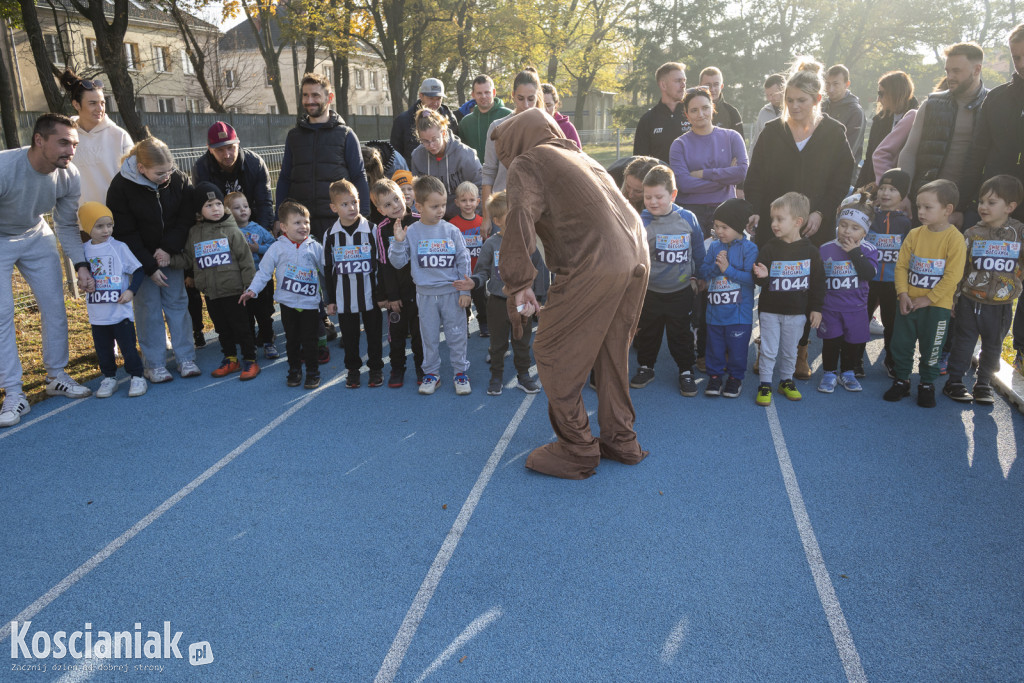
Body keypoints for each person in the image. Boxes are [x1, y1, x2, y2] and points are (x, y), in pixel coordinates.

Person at [491, 107, 650, 480]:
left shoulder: (528, 161)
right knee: (612, 350)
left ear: (516, 140)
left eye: (504, 146)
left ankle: (577, 448)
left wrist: (518, 281)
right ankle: (620, 439)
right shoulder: (580, 156)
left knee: (550, 349)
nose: (503, 155)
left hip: (597, 259)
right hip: (638, 253)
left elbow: (518, 217)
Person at [745, 57, 855, 379]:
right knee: (772, 283)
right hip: (774, 225)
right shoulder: (771, 131)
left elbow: (840, 180)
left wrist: (821, 211)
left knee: (803, 286)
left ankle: (799, 351)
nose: (793, 106)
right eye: (789, 100)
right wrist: (753, 208)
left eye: (801, 100)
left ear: (817, 100)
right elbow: (755, 178)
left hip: (813, 227)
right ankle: (767, 345)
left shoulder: (835, 133)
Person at [1, 114, 97, 427]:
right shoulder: (5, 169)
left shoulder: (69, 175)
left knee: (55, 307)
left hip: (35, 234)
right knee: (3, 313)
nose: (71, 150)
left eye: (74, 144)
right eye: (64, 142)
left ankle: (56, 376)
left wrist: (81, 264)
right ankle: (14, 394)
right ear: (39, 140)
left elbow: (66, 225)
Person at [108, 136, 200, 384]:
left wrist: (168, 249)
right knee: (147, 311)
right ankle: (155, 364)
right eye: (160, 173)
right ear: (141, 169)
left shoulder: (178, 179)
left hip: (170, 256)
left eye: (170, 169)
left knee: (178, 305)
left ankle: (185, 358)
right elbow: (125, 232)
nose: (166, 176)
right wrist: (148, 265)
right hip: (140, 261)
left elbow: (184, 218)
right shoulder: (120, 187)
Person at [962, 24, 1024, 372]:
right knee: (983, 272)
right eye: (1016, 57)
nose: (1021, 63)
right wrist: (967, 202)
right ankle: (971, 345)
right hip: (996, 207)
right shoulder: (998, 98)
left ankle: (1021, 351)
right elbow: (976, 153)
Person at [883, 180, 967, 406]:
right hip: (909, 303)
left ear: (947, 210)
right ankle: (902, 380)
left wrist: (928, 298)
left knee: (932, 347)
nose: (920, 212)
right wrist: (903, 294)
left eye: (927, 207)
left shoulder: (955, 239)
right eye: (919, 206)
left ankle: (927, 383)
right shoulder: (914, 234)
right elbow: (901, 266)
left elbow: (953, 276)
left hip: (936, 307)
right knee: (900, 344)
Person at [388, 175, 473, 395]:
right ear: (419, 206)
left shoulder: (452, 231)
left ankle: (460, 373)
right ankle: (432, 374)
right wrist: (398, 243)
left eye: (443, 205)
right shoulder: (412, 232)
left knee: (457, 335)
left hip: (452, 294)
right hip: (425, 295)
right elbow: (398, 263)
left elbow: (463, 260)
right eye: (434, 206)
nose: (440, 210)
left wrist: (465, 290)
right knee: (429, 336)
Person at [943, 175, 1024, 404]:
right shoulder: (971, 234)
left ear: (1010, 207)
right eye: (981, 202)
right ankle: (955, 381)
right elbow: (960, 268)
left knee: (993, 346)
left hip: (1001, 305)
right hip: (970, 300)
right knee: (963, 343)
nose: (983, 207)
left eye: (991, 202)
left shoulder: (1020, 234)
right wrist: (953, 297)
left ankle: (984, 383)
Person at [168, 182, 259, 381]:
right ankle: (230, 359)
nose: (215, 208)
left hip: (235, 291)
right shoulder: (194, 233)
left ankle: (250, 360)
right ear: (199, 211)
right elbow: (188, 259)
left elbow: (246, 259)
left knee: (241, 327)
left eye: (218, 204)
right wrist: (170, 260)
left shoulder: (232, 230)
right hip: (211, 292)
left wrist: (250, 286)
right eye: (209, 205)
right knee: (222, 329)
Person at [629, 165, 705, 396]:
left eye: (659, 197)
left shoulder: (687, 219)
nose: (652, 202)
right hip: (650, 291)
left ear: (673, 195)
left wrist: (700, 275)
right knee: (648, 334)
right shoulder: (641, 221)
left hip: (680, 291)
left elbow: (699, 250)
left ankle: (685, 370)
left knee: (680, 334)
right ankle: (646, 367)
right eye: (647, 196)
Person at [460, 191, 542, 396]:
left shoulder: (528, 241)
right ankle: (496, 376)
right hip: (497, 302)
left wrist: (540, 298)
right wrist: (474, 282)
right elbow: (481, 272)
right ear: (496, 220)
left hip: (523, 304)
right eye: (510, 215)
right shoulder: (491, 244)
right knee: (497, 344)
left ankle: (524, 376)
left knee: (522, 342)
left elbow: (539, 270)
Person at [897, 43, 988, 228]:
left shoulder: (993, 105)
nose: (950, 77)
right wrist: (903, 194)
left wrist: (965, 209)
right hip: (924, 205)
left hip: (970, 210)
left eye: (956, 71)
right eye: (948, 70)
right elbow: (908, 152)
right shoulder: (932, 103)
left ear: (977, 69)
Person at [751, 192, 826, 406]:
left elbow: (818, 283)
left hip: (797, 313)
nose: (774, 224)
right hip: (770, 311)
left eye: (779, 219)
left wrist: (816, 308)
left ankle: (786, 381)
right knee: (768, 350)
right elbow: (757, 277)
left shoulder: (811, 252)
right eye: (772, 218)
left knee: (790, 351)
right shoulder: (769, 248)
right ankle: (765, 384)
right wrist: (762, 276)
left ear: (798, 222)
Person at [240, 201, 325, 390]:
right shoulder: (277, 248)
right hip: (287, 304)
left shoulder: (315, 247)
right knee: (292, 339)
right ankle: (294, 370)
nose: (303, 227)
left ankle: (313, 372)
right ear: (284, 227)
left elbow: (328, 269)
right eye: (297, 223)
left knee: (310, 341)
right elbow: (264, 272)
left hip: (310, 304)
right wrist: (252, 290)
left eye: (306, 222)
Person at [277, 72, 369, 240]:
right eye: (305, 95)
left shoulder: (346, 135)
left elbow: (358, 176)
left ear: (329, 97)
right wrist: (279, 216)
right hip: (301, 224)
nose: (309, 100)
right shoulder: (294, 136)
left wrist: (363, 216)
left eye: (315, 95)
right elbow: (284, 178)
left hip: (337, 221)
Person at [79, 201, 147, 399]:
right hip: (97, 313)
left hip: (120, 312)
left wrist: (131, 291)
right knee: (103, 349)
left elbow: (138, 270)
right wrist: (84, 284)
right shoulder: (83, 250)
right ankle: (109, 377)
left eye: (109, 225)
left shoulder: (119, 247)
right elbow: (82, 276)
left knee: (128, 347)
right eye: (99, 226)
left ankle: (137, 376)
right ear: (87, 227)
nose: (106, 230)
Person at [323, 178, 384, 389]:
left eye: (355, 202)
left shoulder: (373, 230)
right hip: (344, 298)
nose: (351, 207)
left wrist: (382, 293)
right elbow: (327, 269)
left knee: (375, 334)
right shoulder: (330, 235)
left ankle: (376, 368)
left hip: (371, 296)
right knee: (349, 337)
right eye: (344, 204)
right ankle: (353, 370)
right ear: (333, 208)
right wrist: (329, 300)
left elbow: (380, 264)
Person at [816, 196, 879, 393]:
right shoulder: (825, 249)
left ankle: (848, 372)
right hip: (831, 308)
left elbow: (868, 274)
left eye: (854, 228)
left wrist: (854, 252)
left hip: (856, 309)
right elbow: (818, 281)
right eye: (843, 225)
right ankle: (829, 373)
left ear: (864, 232)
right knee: (831, 342)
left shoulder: (869, 250)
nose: (847, 231)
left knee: (853, 342)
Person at [699, 198, 759, 398]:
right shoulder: (715, 247)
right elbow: (704, 271)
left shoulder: (749, 249)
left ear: (738, 226)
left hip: (738, 315)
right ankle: (715, 377)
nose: (720, 231)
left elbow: (751, 280)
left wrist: (728, 270)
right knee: (714, 348)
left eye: (725, 227)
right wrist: (716, 268)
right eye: (716, 226)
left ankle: (735, 378)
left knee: (737, 350)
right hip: (715, 312)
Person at [669, 86, 748, 235]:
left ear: (713, 108)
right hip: (690, 212)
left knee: (723, 257)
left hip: (726, 211)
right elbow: (683, 184)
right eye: (694, 110)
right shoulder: (679, 145)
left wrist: (702, 174)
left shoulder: (732, 137)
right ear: (686, 114)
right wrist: (725, 179)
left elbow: (741, 173)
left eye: (705, 108)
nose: (700, 114)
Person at [371, 178, 424, 387]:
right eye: (387, 205)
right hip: (397, 295)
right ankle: (397, 369)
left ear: (404, 196)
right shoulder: (382, 229)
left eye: (396, 199)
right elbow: (384, 265)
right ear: (380, 210)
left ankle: (423, 368)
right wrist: (390, 296)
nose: (394, 206)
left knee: (421, 334)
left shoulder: (421, 220)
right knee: (397, 334)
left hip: (421, 291)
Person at [481, 67, 544, 233]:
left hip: (535, 208)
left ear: (538, 97)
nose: (526, 105)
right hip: (502, 209)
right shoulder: (497, 127)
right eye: (520, 98)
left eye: (531, 99)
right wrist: (487, 217)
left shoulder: (545, 128)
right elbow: (488, 172)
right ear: (512, 96)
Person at [865, 169, 914, 377]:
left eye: (893, 189)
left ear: (902, 196)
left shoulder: (905, 223)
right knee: (860, 319)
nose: (885, 193)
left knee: (891, 323)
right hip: (868, 278)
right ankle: (854, 357)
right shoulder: (868, 216)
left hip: (893, 281)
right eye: (883, 188)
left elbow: (908, 254)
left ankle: (891, 359)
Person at [58, 70, 131, 207]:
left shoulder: (119, 136)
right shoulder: (65, 138)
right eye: (92, 103)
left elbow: (134, 178)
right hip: (80, 221)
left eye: (102, 103)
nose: (100, 108)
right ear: (76, 105)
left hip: (116, 219)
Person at [192, 122, 274, 231]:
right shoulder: (201, 168)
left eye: (230, 147)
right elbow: (204, 208)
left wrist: (262, 232)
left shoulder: (255, 163)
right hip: (220, 227)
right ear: (210, 149)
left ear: (238, 143)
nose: (227, 154)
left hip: (253, 223)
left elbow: (263, 202)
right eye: (220, 150)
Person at [225, 191, 278, 360]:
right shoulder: (228, 231)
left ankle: (269, 343)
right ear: (228, 211)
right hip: (240, 281)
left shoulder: (257, 228)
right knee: (245, 316)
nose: (243, 210)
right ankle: (250, 345)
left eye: (246, 206)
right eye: (237, 207)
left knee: (264, 314)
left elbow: (274, 246)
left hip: (261, 279)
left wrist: (258, 249)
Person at [409, 109, 483, 221]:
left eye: (435, 139)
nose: (431, 145)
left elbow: (481, 186)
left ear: (443, 133)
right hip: (433, 219)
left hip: (464, 217)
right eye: (425, 141)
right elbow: (417, 191)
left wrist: (472, 217)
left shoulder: (465, 154)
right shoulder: (417, 156)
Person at [856, 71, 917, 188]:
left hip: (900, 188)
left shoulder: (916, 120)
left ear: (895, 93)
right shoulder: (879, 121)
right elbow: (868, 161)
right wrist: (859, 190)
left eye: (881, 93)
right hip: (874, 187)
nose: (878, 99)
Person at [390, 78, 461, 163]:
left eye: (438, 98)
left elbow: (456, 149)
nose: (435, 103)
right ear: (421, 96)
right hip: (414, 174)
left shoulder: (450, 119)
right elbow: (396, 156)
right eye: (431, 98)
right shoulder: (402, 121)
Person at [450, 181, 488, 336]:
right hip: (461, 273)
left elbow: (488, 247)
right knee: (462, 302)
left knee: (481, 301)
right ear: (457, 202)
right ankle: (463, 324)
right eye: (464, 200)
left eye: (472, 200)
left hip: (478, 273)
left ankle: (484, 323)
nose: (468, 204)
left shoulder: (482, 223)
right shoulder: (452, 225)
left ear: (478, 202)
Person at [633, 62, 690, 163]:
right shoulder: (648, 120)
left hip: (691, 178)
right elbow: (639, 164)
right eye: (678, 81)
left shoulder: (693, 114)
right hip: (660, 178)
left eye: (684, 80)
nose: (683, 85)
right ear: (663, 85)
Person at [821, 64, 865, 179]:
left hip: (841, 177)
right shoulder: (822, 107)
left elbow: (849, 151)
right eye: (828, 84)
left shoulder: (855, 112)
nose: (830, 89)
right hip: (818, 172)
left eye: (836, 84)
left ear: (847, 84)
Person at [460, 75, 513, 163]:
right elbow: (462, 154)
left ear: (494, 92)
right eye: (479, 93)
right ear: (473, 95)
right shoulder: (465, 123)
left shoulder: (509, 116)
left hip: (503, 173)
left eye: (487, 92)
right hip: (475, 174)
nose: (483, 96)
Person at [698, 67, 743, 137]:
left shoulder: (732, 113)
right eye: (708, 85)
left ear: (721, 86)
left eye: (716, 84)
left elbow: (740, 145)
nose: (712, 89)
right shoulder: (689, 111)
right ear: (700, 86)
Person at [750, 74, 785, 154]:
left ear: (783, 90)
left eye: (772, 95)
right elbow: (755, 142)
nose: (769, 99)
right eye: (767, 95)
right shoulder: (763, 112)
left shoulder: (792, 112)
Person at [541, 83, 582, 149]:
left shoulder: (567, 127)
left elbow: (578, 155)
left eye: (548, 105)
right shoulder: (530, 127)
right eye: (541, 105)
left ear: (556, 105)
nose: (545, 110)